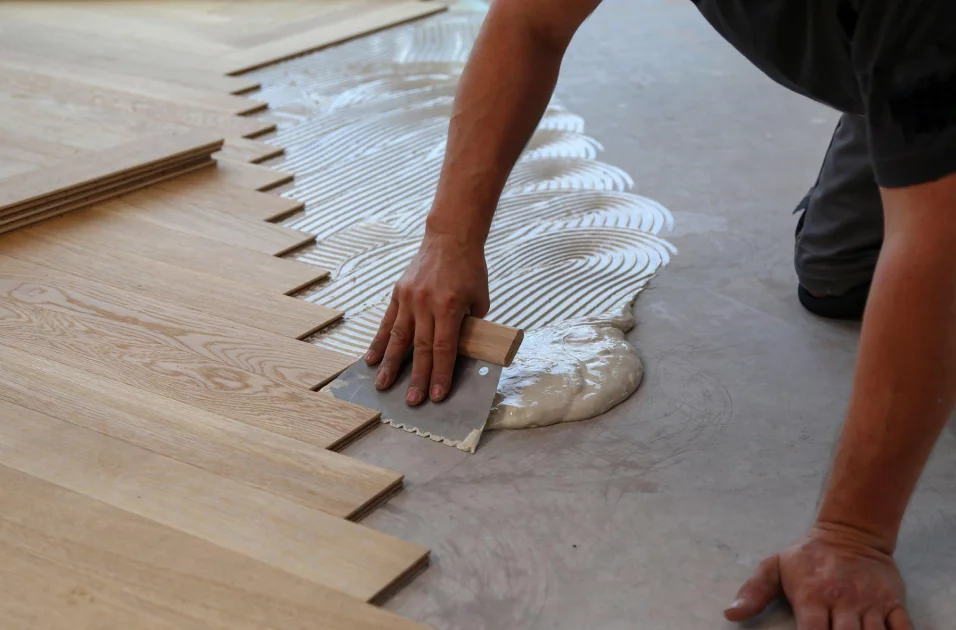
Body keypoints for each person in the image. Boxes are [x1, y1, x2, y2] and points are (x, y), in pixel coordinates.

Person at [364, 0, 956, 627]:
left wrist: (852, 534)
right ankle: (904, 106)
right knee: (838, 277)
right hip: (905, 62)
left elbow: (934, 247)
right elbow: (531, 21)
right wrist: (449, 239)